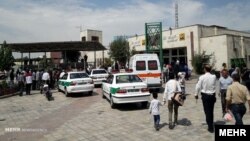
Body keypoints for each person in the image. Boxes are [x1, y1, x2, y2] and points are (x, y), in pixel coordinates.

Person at [194, 64, 217, 133]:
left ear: (205, 69)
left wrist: (196, 94)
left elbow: (198, 86)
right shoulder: (214, 76)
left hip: (205, 95)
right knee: (211, 110)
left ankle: (210, 126)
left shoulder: (202, 77)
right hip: (212, 95)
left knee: (207, 111)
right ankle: (210, 123)